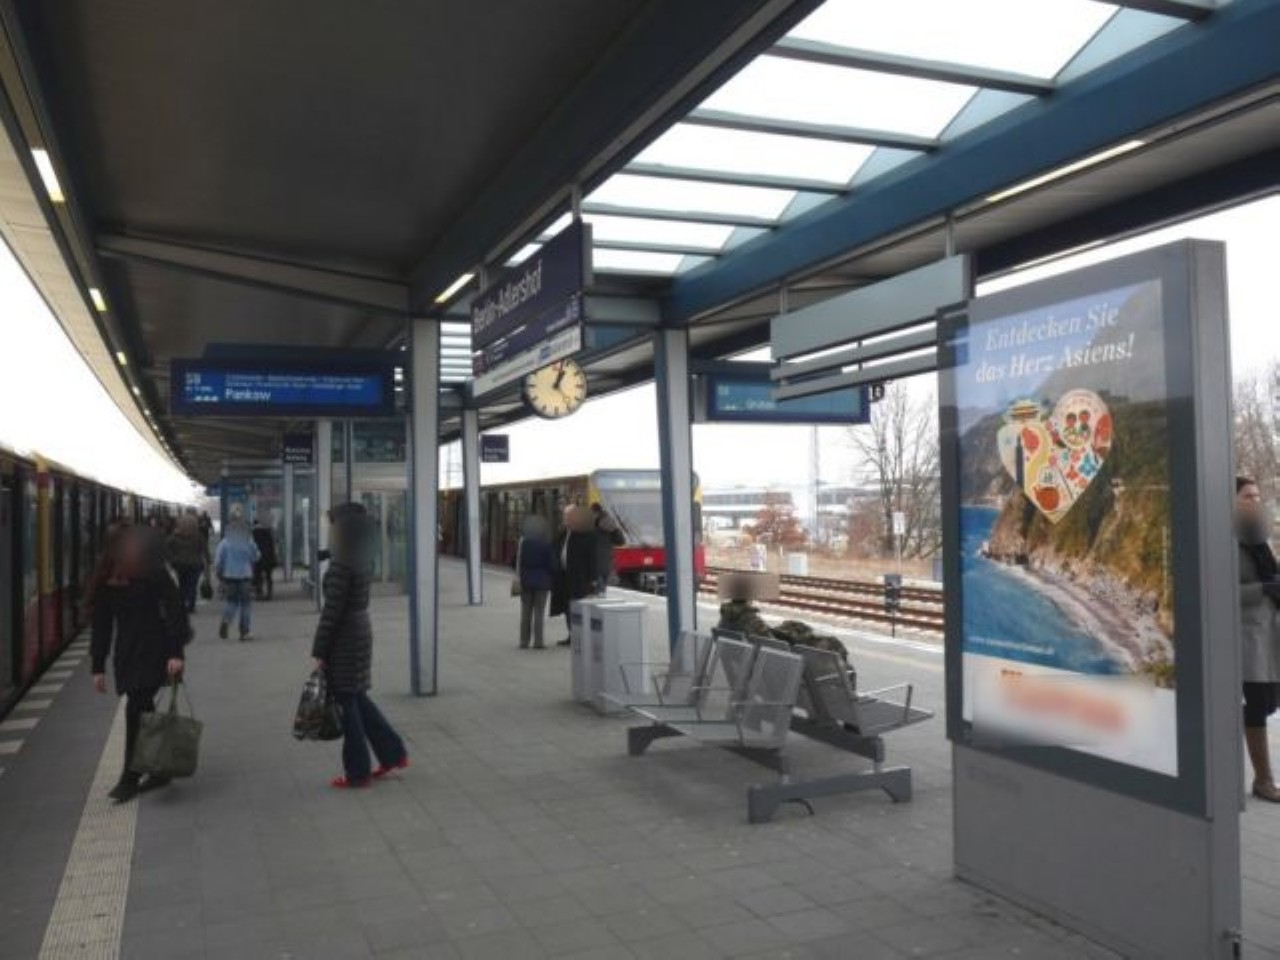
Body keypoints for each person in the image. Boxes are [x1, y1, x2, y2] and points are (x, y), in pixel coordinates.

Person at [89, 524, 190, 803]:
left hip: (157, 647)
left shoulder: (153, 572)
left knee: (136, 707)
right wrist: (97, 666)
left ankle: (130, 776)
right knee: (143, 709)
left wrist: (176, 652)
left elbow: (175, 609)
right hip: (127, 652)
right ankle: (159, 768)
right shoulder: (107, 578)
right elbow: (102, 624)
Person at [311, 503, 408, 788]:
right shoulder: (358, 558)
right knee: (356, 698)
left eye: (333, 527)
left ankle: (357, 772)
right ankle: (393, 754)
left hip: (345, 637)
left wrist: (320, 650)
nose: (330, 532)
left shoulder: (342, 565)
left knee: (347, 701)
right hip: (359, 631)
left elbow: (332, 612)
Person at [1237, 476, 1280, 803]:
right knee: (1256, 705)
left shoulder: (1259, 537)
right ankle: (1263, 781)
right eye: (1247, 496)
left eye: (1256, 496)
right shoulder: (1226, 540)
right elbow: (1220, 589)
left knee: (1268, 703)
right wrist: (1264, 589)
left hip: (1270, 633)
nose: (1255, 501)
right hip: (1247, 637)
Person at [550, 504, 599, 647]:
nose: (565, 519)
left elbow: (593, 558)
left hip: (579, 579)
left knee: (578, 608)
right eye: (565, 516)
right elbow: (554, 548)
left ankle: (581, 637)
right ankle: (572, 635)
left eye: (568, 516)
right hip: (563, 577)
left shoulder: (587, 534)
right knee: (567, 608)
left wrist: (593, 579)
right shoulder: (563, 533)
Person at [215, 511, 260, 641]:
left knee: (231, 601)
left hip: (229, 576)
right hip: (245, 576)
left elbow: (218, 561)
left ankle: (226, 620)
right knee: (245, 604)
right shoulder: (248, 541)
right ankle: (244, 632)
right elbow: (256, 556)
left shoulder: (224, 542)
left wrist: (219, 573)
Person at [516, 515, 555, 650]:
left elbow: (517, 561)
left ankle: (523, 641)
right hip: (542, 582)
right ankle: (538, 641)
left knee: (525, 612)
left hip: (526, 581)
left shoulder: (524, 544)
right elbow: (551, 565)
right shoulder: (546, 545)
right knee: (539, 612)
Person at [167, 512, 206, 614]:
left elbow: (166, 548)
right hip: (195, 564)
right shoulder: (198, 536)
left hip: (179, 564)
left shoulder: (174, 537)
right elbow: (203, 550)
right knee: (192, 585)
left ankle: (182, 604)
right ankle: (191, 606)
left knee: (182, 584)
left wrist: (172, 558)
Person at [590, 503, 624, 595]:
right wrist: (615, 529)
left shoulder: (592, 527)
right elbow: (621, 541)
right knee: (600, 593)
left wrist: (614, 529)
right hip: (604, 567)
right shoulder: (608, 525)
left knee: (597, 594)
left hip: (597, 568)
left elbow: (621, 541)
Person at [251, 517, 279, 601]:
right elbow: (273, 545)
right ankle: (269, 594)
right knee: (269, 576)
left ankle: (259, 593)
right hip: (269, 557)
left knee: (258, 575)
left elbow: (252, 546)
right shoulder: (269, 532)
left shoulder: (254, 533)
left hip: (259, 558)